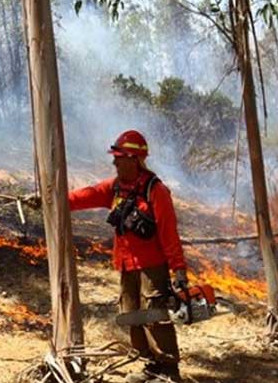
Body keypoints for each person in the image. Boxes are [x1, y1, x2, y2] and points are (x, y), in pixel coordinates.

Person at [68, 130, 188, 383]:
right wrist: (52, 199)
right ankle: (149, 365)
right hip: (126, 265)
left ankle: (167, 370)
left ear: (134, 159)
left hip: (151, 267)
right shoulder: (115, 188)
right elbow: (84, 196)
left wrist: (178, 270)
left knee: (154, 316)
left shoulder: (156, 191)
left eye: (119, 157)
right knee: (133, 315)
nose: (114, 162)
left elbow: (169, 233)